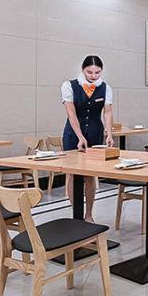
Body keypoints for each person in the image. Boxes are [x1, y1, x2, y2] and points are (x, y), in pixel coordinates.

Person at [61, 55, 114, 222]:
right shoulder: (69, 86)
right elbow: (71, 113)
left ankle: (89, 214)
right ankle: (76, 213)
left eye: (97, 72)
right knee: (72, 174)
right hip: (73, 135)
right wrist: (80, 136)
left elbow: (107, 112)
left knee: (90, 175)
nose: (93, 76)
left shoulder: (105, 88)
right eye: (89, 72)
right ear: (83, 69)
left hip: (95, 134)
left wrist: (109, 134)